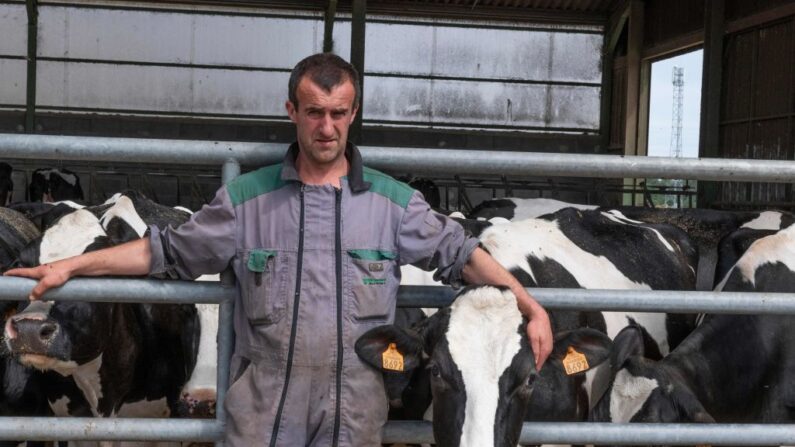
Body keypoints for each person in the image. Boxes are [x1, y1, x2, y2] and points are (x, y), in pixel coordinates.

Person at [5, 53, 552, 446]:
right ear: (291, 109)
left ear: (354, 113)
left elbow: (461, 254)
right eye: (314, 111)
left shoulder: (392, 205)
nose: (327, 126)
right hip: (264, 418)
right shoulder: (247, 201)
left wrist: (527, 304)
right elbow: (162, 252)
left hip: (355, 417)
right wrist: (71, 266)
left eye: (339, 113)